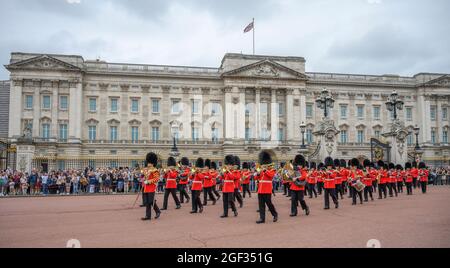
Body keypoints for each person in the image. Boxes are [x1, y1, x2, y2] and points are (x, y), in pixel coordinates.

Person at [255, 151, 278, 224]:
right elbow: (256, 178)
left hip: (267, 189)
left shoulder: (272, 170)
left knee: (269, 203)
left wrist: (265, 170)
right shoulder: (261, 171)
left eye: (264, 164)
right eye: (262, 164)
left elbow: (271, 176)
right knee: (261, 204)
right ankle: (262, 218)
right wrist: (258, 174)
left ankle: (275, 214)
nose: (263, 165)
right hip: (260, 190)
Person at [141, 152, 161, 221]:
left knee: (151, 201)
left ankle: (158, 211)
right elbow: (146, 177)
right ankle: (148, 216)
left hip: (152, 187)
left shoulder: (155, 170)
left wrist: (148, 181)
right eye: (148, 162)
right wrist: (144, 179)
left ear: (152, 163)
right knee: (147, 202)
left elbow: (156, 179)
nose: (148, 163)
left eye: (149, 162)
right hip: (146, 188)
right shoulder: (146, 170)